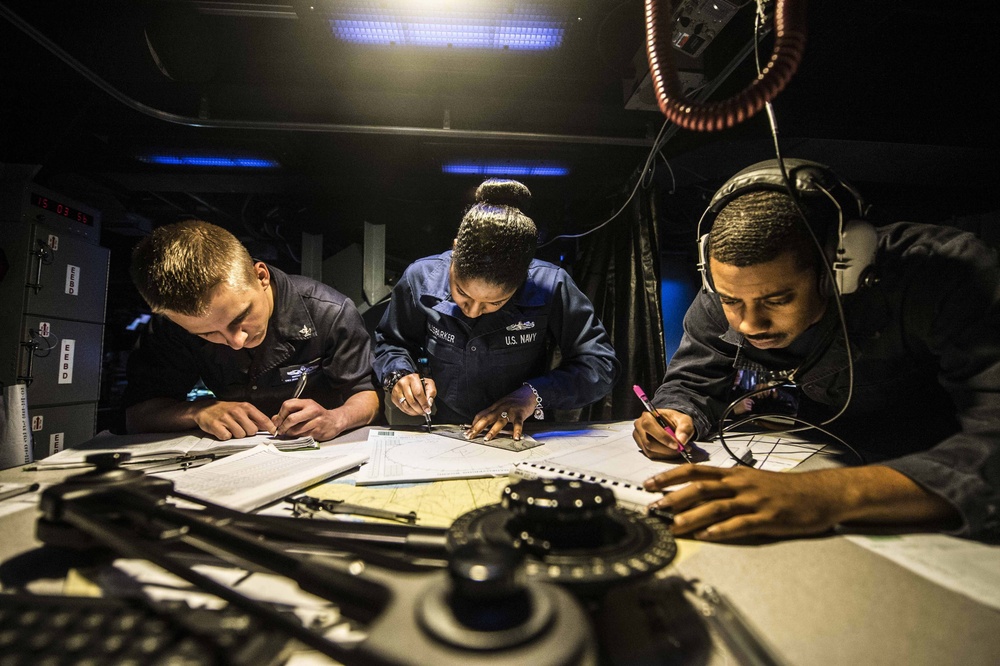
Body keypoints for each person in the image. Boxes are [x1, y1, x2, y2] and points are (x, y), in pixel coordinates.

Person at [633, 159, 1000, 542]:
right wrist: (676, 412)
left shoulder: (949, 277)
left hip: (941, 479)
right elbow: (692, 382)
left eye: (777, 299)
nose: (748, 324)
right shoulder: (725, 295)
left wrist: (828, 492)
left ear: (838, 268)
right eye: (731, 301)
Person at [374, 178, 620, 441]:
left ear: (525, 276)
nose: (472, 312)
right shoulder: (420, 279)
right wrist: (399, 374)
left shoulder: (552, 285)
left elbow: (600, 365)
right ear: (455, 251)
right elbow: (390, 342)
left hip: (524, 433)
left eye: (495, 303)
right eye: (463, 294)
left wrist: (534, 394)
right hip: (449, 432)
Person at [124, 219, 379, 441]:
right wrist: (197, 411)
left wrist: (337, 419)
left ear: (261, 276)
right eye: (207, 334)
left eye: (241, 317)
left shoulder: (330, 312)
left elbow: (366, 394)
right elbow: (138, 414)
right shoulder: (173, 327)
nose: (236, 341)